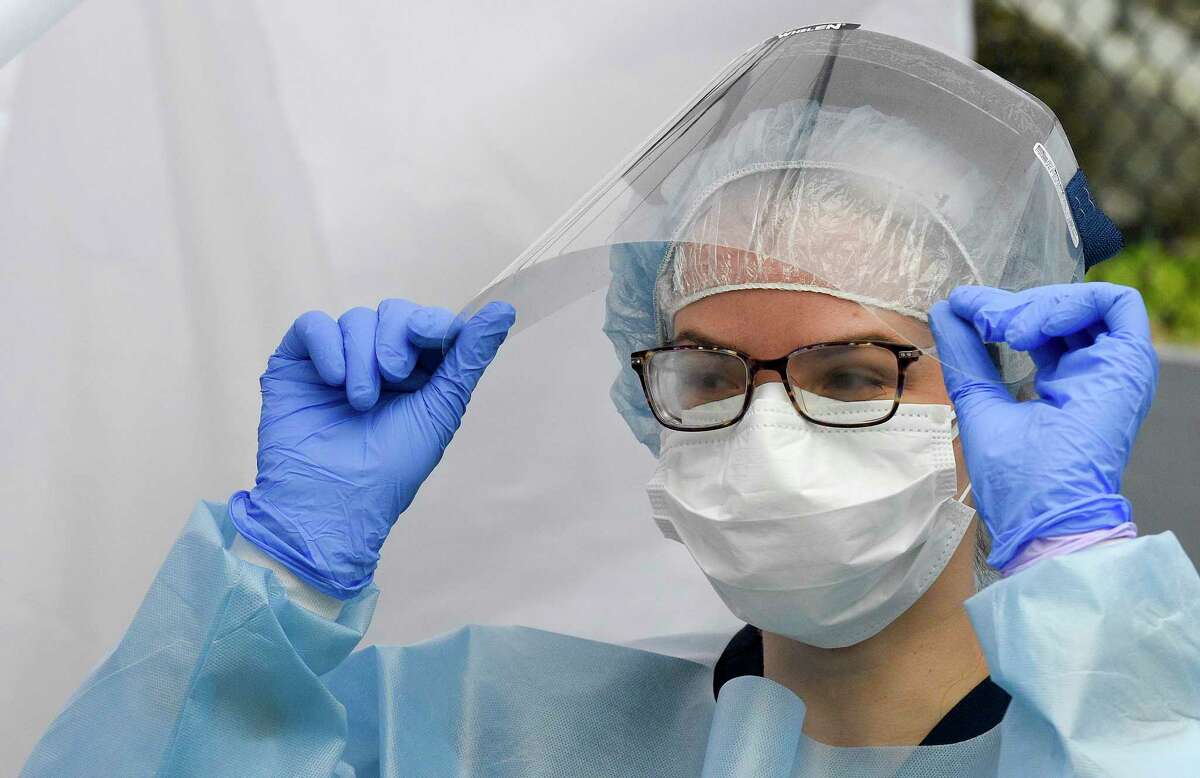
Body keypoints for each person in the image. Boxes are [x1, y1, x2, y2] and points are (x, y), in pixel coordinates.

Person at [22, 25, 1200, 776]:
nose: (768, 432)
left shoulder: (1130, 736)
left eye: (849, 373)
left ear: (1012, 396)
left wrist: (1090, 607)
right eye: (712, 373)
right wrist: (279, 580)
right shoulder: (496, 730)